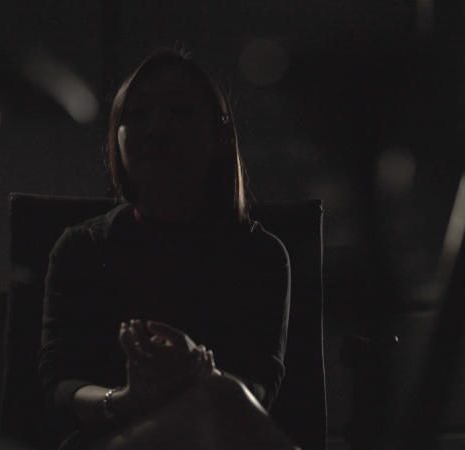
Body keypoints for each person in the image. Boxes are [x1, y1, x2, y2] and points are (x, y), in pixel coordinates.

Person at [38, 47, 296, 450]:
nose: (157, 129)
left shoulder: (259, 255)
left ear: (219, 135)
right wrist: (126, 399)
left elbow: (257, 389)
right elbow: (60, 384)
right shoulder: (83, 248)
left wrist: (201, 373)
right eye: (138, 115)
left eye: (180, 112)